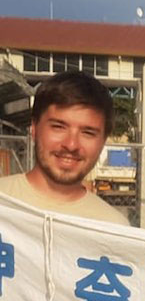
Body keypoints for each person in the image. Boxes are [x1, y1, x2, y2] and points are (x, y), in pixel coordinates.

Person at [0, 71, 129, 225]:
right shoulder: (3, 201)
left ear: (103, 141)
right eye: (58, 127)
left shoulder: (114, 228)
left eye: (87, 133)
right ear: (34, 128)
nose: (71, 145)